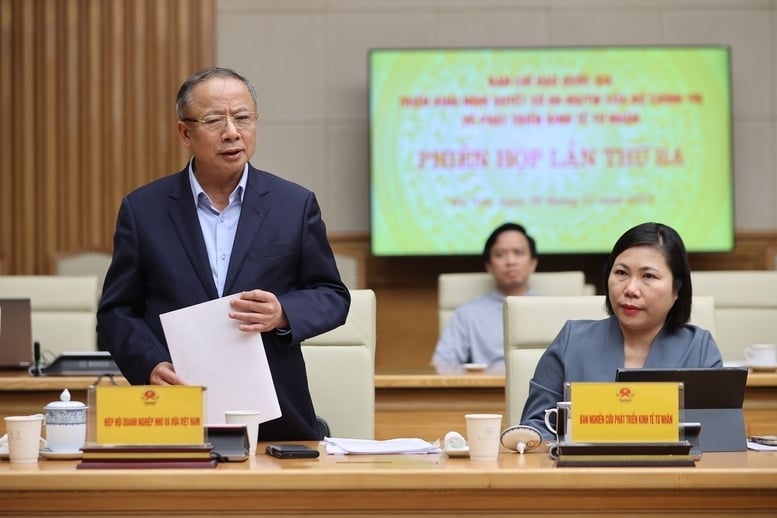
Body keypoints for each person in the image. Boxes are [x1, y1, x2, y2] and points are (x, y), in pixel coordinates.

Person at [96, 67, 350, 440]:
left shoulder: (293, 205)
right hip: (176, 408)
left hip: (276, 417)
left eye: (243, 118)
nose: (232, 132)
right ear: (185, 133)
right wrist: (149, 365)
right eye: (214, 120)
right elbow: (116, 312)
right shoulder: (144, 210)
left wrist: (283, 311)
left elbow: (332, 295)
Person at [520, 222, 723, 439]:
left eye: (648, 276)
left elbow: (719, 436)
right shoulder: (572, 341)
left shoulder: (699, 349)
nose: (631, 289)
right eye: (621, 273)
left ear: (677, 290)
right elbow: (534, 429)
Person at [431, 222, 538, 370]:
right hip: (488, 384)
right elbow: (441, 365)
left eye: (518, 253)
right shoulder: (467, 314)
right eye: (500, 255)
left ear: (533, 263)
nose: (510, 261)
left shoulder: (550, 310)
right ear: (489, 266)